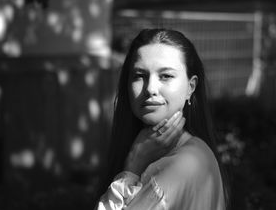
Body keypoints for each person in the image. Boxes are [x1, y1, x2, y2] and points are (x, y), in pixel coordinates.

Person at [95, 28, 227, 210]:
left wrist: (133, 167)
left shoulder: (184, 164)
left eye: (166, 76)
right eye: (140, 76)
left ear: (191, 87)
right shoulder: (188, 151)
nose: (150, 88)